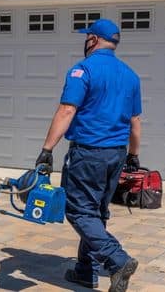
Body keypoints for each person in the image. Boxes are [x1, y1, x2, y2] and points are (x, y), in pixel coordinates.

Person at [35, 18, 142, 292]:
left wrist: (47, 149)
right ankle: (85, 270)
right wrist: (133, 155)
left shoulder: (82, 70)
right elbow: (135, 121)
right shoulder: (130, 75)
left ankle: (118, 259)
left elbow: (67, 110)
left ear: (92, 39)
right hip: (116, 154)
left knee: (79, 211)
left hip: (88, 153)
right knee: (97, 211)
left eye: (87, 37)